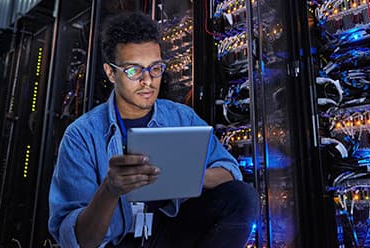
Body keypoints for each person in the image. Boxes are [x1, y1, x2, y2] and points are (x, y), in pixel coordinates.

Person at [48, 11, 259, 248]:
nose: (147, 81)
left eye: (155, 68)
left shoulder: (181, 117)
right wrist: (110, 189)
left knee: (241, 197)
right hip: (119, 243)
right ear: (110, 72)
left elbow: (230, 170)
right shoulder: (82, 136)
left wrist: (186, 175)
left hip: (170, 235)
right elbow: (80, 240)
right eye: (133, 71)